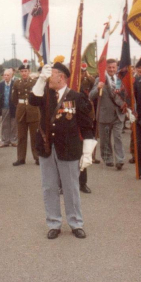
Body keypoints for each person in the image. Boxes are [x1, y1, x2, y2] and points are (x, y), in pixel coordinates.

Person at [29, 56, 96, 239]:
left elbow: (87, 126)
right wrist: (41, 79)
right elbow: (32, 100)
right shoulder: (44, 94)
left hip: (69, 149)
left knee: (71, 187)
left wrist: (88, 153)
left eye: (51, 75)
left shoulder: (76, 97)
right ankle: (54, 222)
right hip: (46, 147)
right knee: (49, 187)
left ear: (62, 77)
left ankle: (75, 223)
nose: (49, 77)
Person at [89, 59, 126, 170]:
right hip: (104, 114)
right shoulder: (100, 80)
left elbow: (125, 95)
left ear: (116, 68)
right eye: (109, 67)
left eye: (113, 67)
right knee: (105, 139)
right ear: (106, 68)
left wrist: (126, 106)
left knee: (118, 137)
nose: (111, 69)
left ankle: (120, 160)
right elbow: (91, 96)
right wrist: (98, 88)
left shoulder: (120, 80)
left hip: (118, 114)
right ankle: (108, 158)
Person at [12, 61, 40, 166]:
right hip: (21, 111)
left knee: (34, 136)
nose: (24, 73)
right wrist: (20, 106)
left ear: (29, 71)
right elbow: (14, 99)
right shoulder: (16, 83)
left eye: (26, 71)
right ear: (20, 72)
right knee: (21, 137)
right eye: (22, 71)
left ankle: (37, 157)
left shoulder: (34, 82)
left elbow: (38, 96)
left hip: (33, 110)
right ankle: (21, 158)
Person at [79, 62, 96, 193]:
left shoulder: (83, 93)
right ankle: (63, 184)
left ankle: (82, 183)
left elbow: (88, 108)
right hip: (66, 129)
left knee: (82, 156)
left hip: (81, 127)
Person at [0, 68, 17, 148]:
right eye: (5, 75)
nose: (6, 77)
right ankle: (5, 141)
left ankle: (14, 141)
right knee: (5, 125)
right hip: (4, 107)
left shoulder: (15, 83)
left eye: (8, 75)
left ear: (11, 76)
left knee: (14, 124)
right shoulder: (0, 84)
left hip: (13, 107)